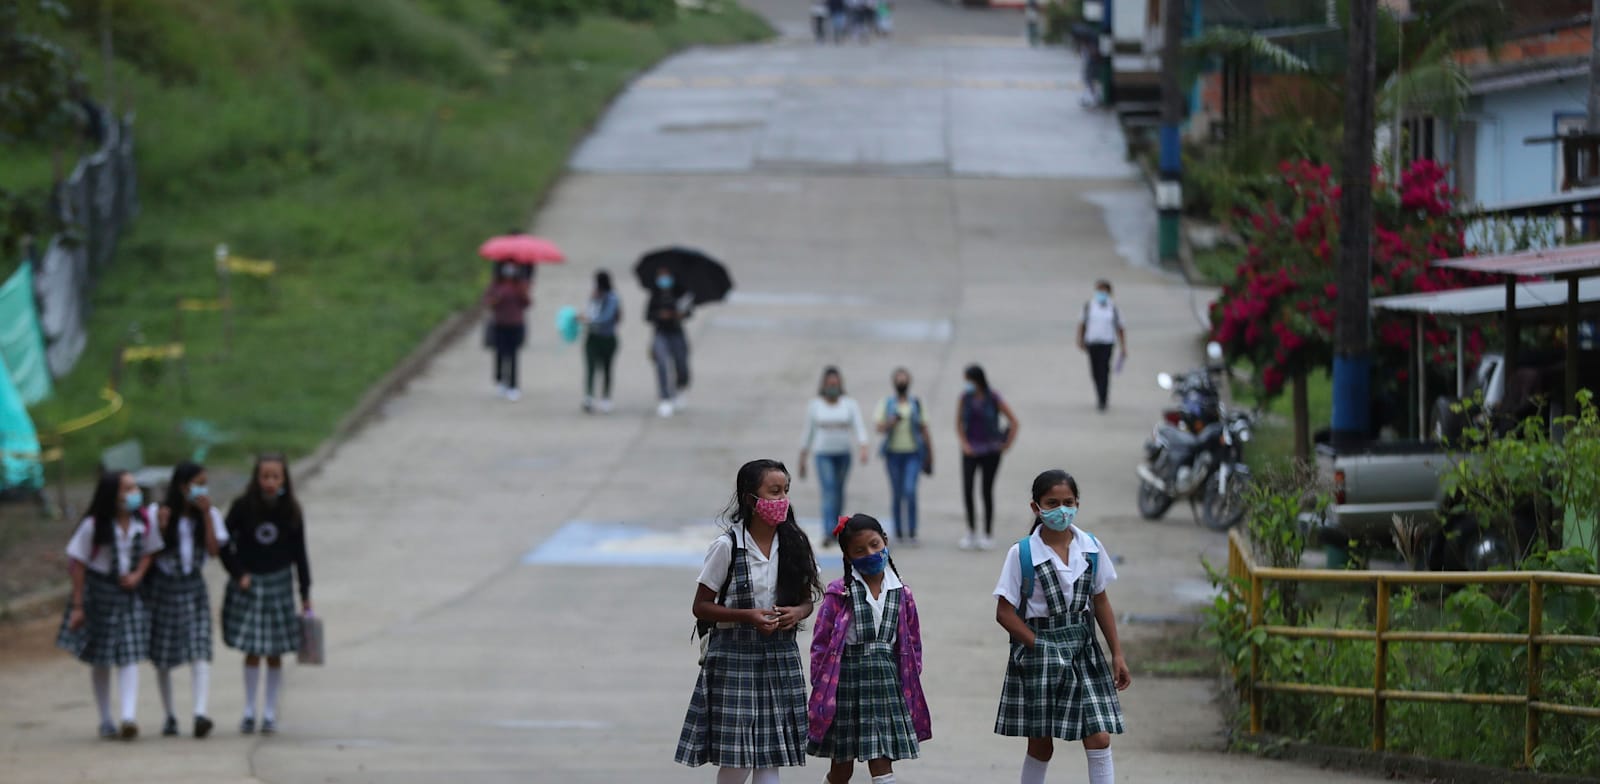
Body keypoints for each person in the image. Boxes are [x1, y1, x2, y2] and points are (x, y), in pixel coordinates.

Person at [676, 459, 823, 782]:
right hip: (734, 657)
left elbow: (805, 600)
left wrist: (797, 613)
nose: (781, 500)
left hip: (779, 658)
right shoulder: (727, 546)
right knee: (737, 757)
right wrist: (747, 617)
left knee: (770, 757)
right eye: (773, 492)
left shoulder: (794, 545)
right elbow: (701, 606)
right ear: (750, 499)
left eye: (785, 491)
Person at [992, 470, 1131, 784]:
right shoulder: (1022, 554)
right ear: (1036, 507)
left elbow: (1101, 601)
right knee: (1041, 745)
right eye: (1052, 503)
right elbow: (1004, 612)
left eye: (1068, 502)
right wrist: (1038, 645)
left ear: (1077, 504)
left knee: (1099, 737)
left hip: (1083, 650)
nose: (1061, 509)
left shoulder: (1091, 548)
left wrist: (1117, 654)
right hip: (1039, 651)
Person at [807, 514, 930, 784]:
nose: (870, 553)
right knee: (842, 769)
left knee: (881, 762)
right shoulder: (839, 593)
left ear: (885, 541)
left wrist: (909, 678)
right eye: (860, 550)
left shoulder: (902, 593)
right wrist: (822, 686)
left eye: (875, 545)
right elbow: (821, 644)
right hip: (846, 688)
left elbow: (912, 642)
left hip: (886, 687)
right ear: (848, 557)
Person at [56, 471, 163, 739]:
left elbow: (151, 551)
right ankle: (105, 718)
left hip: (129, 595)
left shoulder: (143, 522)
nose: (134, 493)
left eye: (134, 487)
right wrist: (79, 604)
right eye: (127, 489)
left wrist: (138, 574)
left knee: (128, 653)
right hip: (100, 594)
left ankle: (128, 715)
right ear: (111, 495)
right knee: (102, 657)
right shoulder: (94, 526)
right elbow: (77, 562)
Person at [220, 454, 312, 735]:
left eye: (276, 477)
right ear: (256, 478)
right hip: (251, 583)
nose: (270, 482)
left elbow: (300, 554)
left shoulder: (292, 511)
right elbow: (223, 543)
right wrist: (238, 573)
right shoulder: (242, 507)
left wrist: (305, 592)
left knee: (274, 652)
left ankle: (269, 712)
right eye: (265, 476)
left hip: (279, 583)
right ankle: (249, 710)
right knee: (252, 649)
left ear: (284, 479)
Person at [146, 462, 229, 738]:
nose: (202, 489)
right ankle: (169, 714)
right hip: (165, 587)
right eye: (198, 483)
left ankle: (200, 713)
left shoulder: (210, 514)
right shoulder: (158, 513)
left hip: (193, 586)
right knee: (164, 654)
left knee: (200, 647)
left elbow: (215, 550)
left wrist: (206, 516)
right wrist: (161, 528)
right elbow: (150, 553)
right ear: (182, 487)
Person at [799, 367, 870, 546]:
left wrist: (863, 446)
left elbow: (858, 426)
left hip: (843, 453)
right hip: (823, 453)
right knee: (829, 490)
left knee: (839, 490)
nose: (833, 387)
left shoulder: (849, 404)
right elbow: (809, 431)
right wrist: (803, 456)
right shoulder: (815, 405)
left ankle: (839, 526)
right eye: (830, 384)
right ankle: (828, 530)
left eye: (836, 384)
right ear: (824, 385)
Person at [956, 364, 1018, 550]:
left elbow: (1013, 421)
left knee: (986, 490)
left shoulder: (993, 397)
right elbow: (958, 423)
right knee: (968, 489)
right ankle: (971, 530)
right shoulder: (964, 398)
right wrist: (965, 444)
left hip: (991, 450)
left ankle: (988, 533)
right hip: (971, 450)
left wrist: (1006, 444)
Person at [875, 368, 931, 545]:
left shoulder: (916, 403)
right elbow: (879, 427)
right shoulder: (887, 403)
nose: (901, 382)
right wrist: (891, 422)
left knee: (910, 490)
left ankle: (912, 530)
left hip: (913, 453)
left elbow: (924, 428)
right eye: (898, 379)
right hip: (893, 454)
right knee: (897, 493)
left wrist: (930, 453)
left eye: (904, 379)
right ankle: (899, 530)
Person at [647, 265, 694, 418]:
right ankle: (664, 397)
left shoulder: (680, 292)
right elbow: (648, 315)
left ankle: (679, 388)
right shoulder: (655, 294)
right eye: (661, 276)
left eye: (666, 275)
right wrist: (660, 315)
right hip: (661, 333)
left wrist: (679, 314)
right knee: (661, 363)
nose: (663, 279)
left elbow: (689, 311)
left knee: (681, 364)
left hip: (677, 333)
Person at [1076, 280, 1127, 412]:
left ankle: (1103, 399)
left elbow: (1120, 328)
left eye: (1104, 291)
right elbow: (1082, 324)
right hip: (1092, 343)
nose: (1101, 293)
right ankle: (1099, 393)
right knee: (1095, 371)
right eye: (1099, 290)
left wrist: (1123, 346)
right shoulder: (1089, 306)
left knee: (1104, 370)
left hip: (1107, 343)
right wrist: (1080, 340)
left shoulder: (1114, 309)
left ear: (1109, 293)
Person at [485, 261, 532, 402]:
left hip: (515, 325)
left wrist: (523, 293)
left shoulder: (519, 286)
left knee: (513, 356)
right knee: (500, 353)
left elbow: (527, 303)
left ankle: (513, 385)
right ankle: (500, 379)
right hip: (500, 324)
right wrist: (495, 299)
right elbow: (488, 302)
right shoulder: (496, 285)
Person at [582, 270, 621, 414]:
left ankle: (606, 397)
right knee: (591, 368)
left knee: (607, 368)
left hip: (607, 338)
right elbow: (589, 312)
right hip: (593, 337)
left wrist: (589, 320)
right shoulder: (593, 297)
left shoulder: (612, 298)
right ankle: (589, 397)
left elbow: (606, 317)